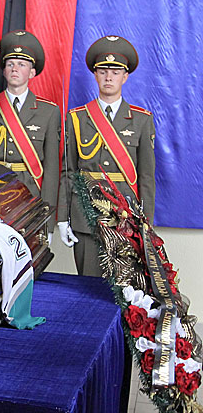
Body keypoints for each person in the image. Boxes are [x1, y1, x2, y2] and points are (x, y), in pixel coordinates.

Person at [57, 35, 155, 276]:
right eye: (103, 70)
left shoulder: (142, 120)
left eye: (115, 71)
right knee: (89, 290)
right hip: (86, 217)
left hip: (126, 218)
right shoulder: (76, 118)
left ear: (125, 76)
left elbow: (146, 178)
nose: (108, 77)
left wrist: (147, 224)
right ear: (95, 74)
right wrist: (62, 217)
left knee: (127, 292)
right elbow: (68, 172)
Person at [0, 30, 61, 219]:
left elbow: (51, 168)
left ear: (32, 72)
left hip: (30, 191)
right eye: (10, 64)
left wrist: (48, 217)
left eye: (21, 64)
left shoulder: (48, 112)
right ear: (3, 70)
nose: (14, 69)